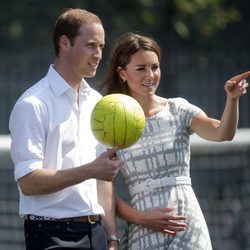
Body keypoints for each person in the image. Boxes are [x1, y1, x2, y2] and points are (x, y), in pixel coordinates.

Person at [100, 32, 249, 249]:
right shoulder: (111, 123)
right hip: (144, 232)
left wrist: (232, 99)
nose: (150, 75)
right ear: (122, 73)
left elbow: (222, 133)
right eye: (141, 68)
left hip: (188, 227)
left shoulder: (178, 109)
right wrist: (141, 218)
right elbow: (104, 189)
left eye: (155, 67)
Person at [9, 8, 123, 250]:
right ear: (65, 43)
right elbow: (28, 182)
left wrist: (112, 238)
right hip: (51, 235)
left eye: (101, 46)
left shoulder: (96, 102)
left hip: (97, 234)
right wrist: (91, 169)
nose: (99, 54)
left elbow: (102, 179)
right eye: (91, 45)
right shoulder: (32, 104)